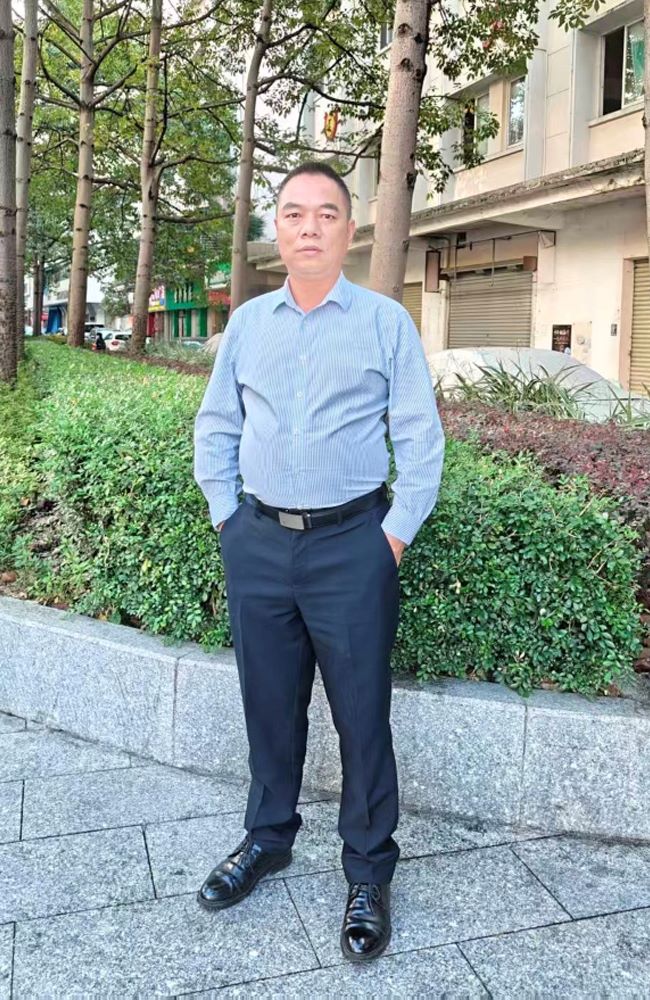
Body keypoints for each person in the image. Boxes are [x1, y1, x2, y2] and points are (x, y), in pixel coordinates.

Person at [193, 162, 445, 963]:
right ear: (277, 228)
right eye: (295, 213)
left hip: (352, 547)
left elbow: (420, 438)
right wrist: (228, 519)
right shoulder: (248, 325)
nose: (309, 227)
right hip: (259, 542)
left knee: (361, 716)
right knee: (269, 705)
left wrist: (390, 539)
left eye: (326, 214)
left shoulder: (383, 323)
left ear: (349, 229)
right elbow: (217, 425)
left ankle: (368, 872)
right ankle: (267, 840)